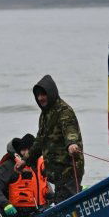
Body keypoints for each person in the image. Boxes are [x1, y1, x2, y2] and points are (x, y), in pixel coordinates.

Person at [22, 74, 84, 203]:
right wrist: (25, 160)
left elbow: (70, 131)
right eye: (38, 95)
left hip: (69, 170)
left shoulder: (64, 110)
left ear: (51, 93)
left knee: (66, 204)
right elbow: (39, 141)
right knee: (60, 200)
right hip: (56, 173)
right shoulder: (45, 114)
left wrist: (72, 144)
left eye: (43, 94)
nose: (40, 98)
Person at [0, 133, 48, 217]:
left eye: (29, 149)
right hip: (16, 213)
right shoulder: (9, 166)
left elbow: (46, 189)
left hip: (40, 211)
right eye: (23, 149)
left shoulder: (40, 165)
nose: (26, 152)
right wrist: (6, 205)